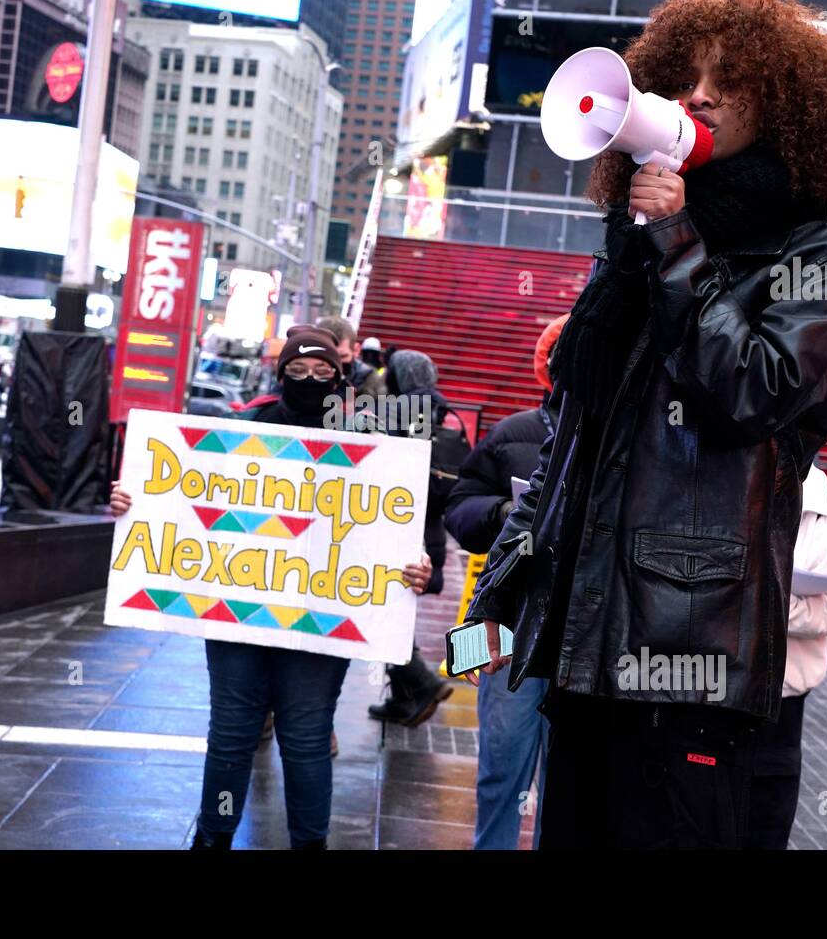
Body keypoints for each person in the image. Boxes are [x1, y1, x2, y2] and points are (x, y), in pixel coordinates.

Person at [464, 0, 827, 849]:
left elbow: (753, 394)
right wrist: (494, 607)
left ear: (787, 107)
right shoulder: (644, 238)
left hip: (685, 661)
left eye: (727, 81)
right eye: (686, 77)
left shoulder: (819, 254)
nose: (696, 95)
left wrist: (673, 246)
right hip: (582, 655)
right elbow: (572, 424)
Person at [110, 325, 433, 849]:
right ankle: (211, 840)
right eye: (298, 371)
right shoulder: (246, 426)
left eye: (324, 371)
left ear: (342, 375)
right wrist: (133, 503)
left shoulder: (374, 443)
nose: (310, 380)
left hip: (321, 617)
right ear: (279, 375)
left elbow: (395, 526)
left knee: (306, 741)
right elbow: (183, 492)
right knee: (231, 738)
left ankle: (309, 844)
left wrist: (417, 565)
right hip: (241, 615)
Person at [446, 315, 567, 849]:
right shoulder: (514, 432)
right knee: (500, 763)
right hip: (506, 622)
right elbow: (459, 509)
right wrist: (500, 513)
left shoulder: (631, 440)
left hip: (581, 630)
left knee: (569, 785)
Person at [748, 461, 827, 849]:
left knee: (765, 834)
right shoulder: (727, 482)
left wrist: (757, 600)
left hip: (782, 709)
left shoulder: (824, 505)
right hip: (714, 698)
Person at [366, 349, 455, 727]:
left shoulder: (407, 410)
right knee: (395, 610)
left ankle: (420, 681)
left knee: (382, 611)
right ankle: (406, 698)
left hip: (405, 529)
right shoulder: (439, 410)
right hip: (429, 528)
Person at [315, 316, 383, 399]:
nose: (334, 363)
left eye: (342, 356)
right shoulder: (300, 377)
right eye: (325, 357)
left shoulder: (368, 381)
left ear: (356, 350)